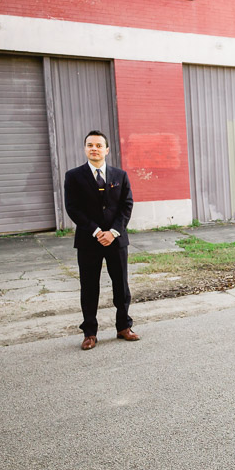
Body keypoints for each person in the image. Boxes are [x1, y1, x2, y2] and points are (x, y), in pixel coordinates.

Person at [64, 130, 138, 351]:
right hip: (89, 241)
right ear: (85, 149)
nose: (94, 148)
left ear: (107, 149)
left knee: (121, 286)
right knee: (89, 287)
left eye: (98, 145)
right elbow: (72, 208)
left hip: (116, 240)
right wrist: (96, 231)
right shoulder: (74, 176)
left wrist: (113, 232)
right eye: (90, 145)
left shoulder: (120, 175)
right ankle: (89, 333)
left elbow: (127, 205)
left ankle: (124, 326)